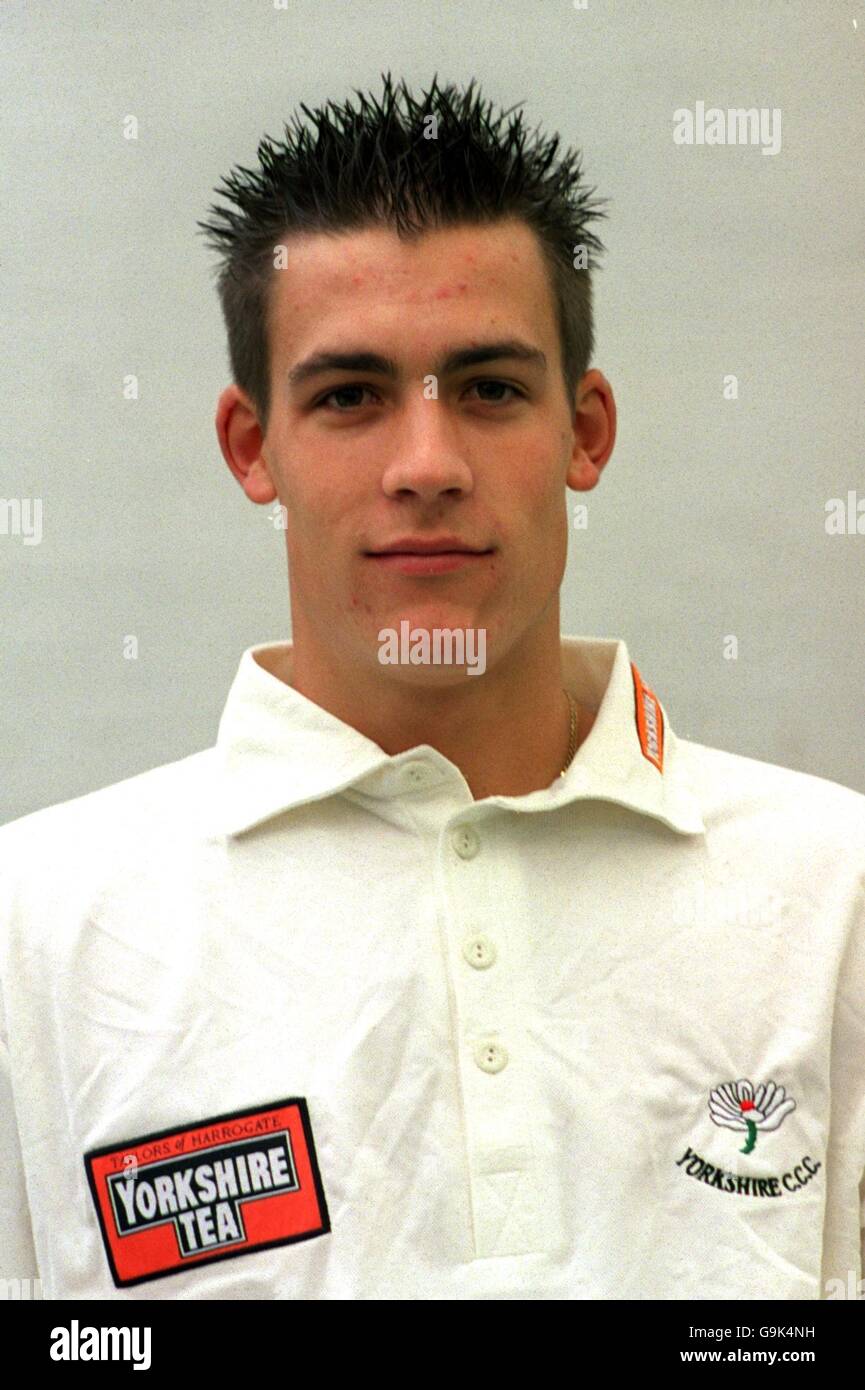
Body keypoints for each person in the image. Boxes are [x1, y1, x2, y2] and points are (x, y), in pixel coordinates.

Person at [1, 73, 863, 1301]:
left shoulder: (832, 892)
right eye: (349, 396)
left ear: (586, 431)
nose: (426, 463)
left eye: (489, 389)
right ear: (254, 446)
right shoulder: (34, 930)